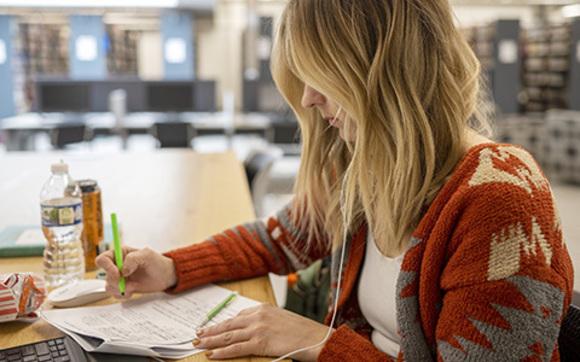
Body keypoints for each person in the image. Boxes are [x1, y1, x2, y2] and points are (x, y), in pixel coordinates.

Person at [97, 0, 574, 361]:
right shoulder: (369, 166)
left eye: (320, 76)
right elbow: (279, 239)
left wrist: (320, 343)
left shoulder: (500, 199)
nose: (306, 99)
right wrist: (171, 268)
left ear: (380, 72)